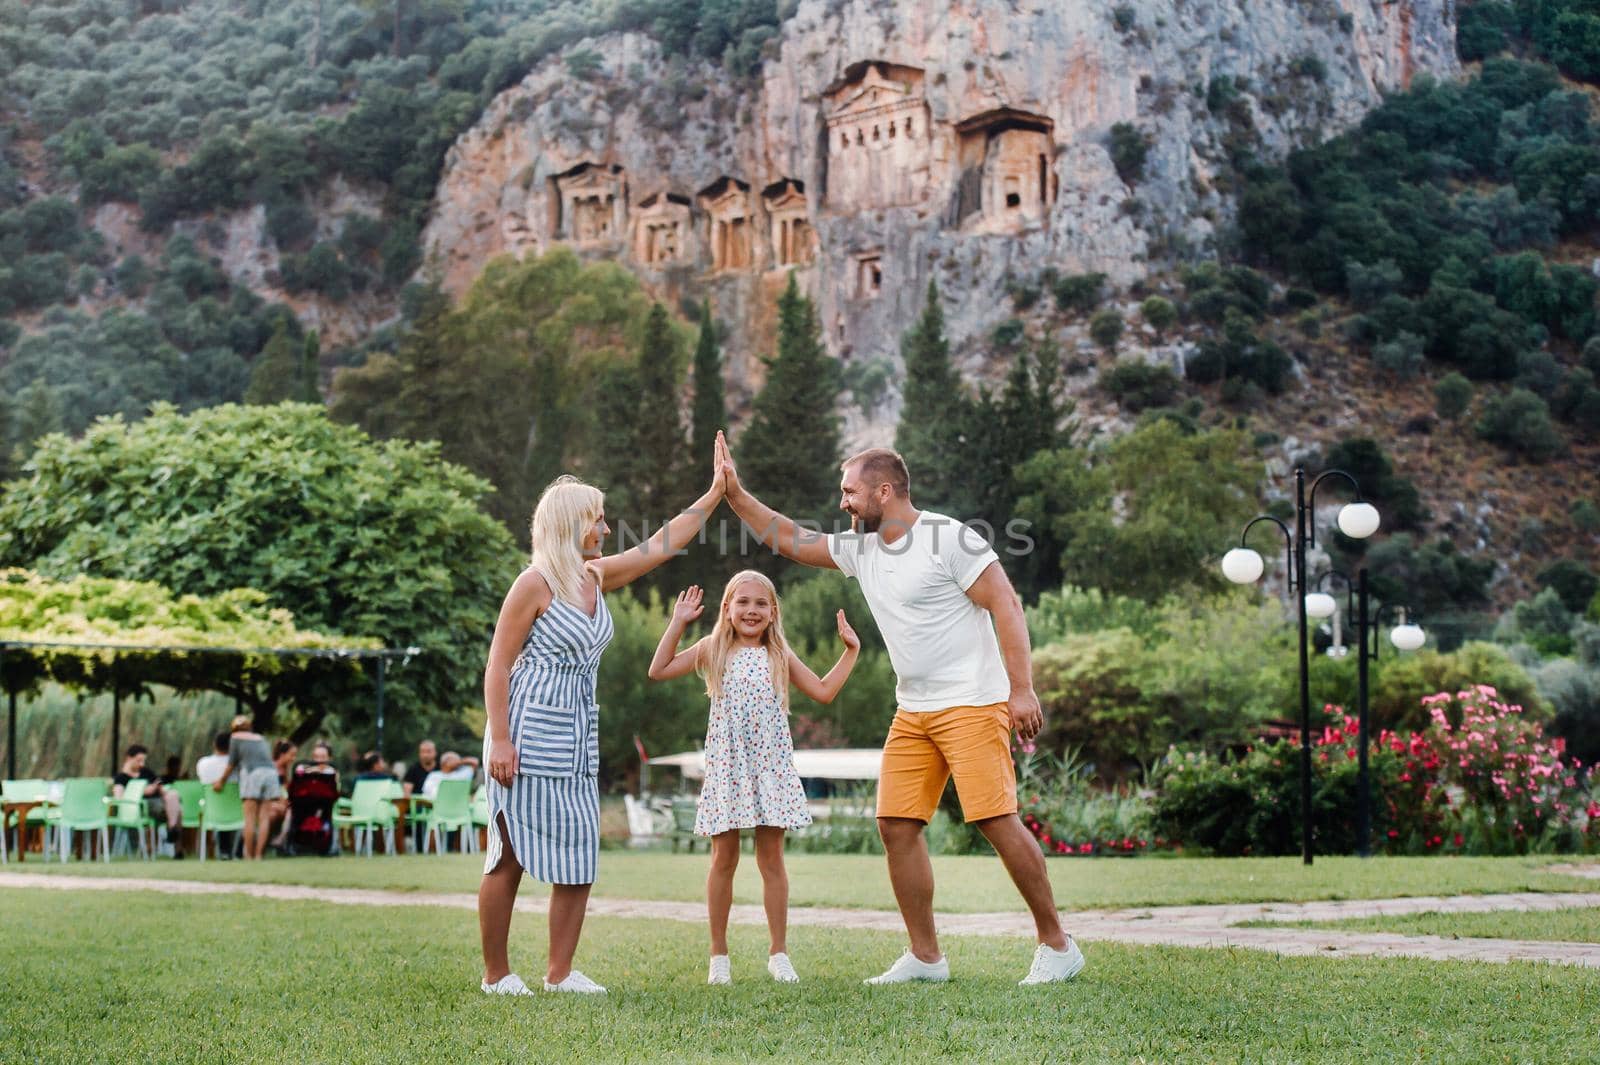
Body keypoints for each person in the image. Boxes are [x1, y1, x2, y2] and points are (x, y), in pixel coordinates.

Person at [717, 434, 1085, 986]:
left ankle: (1057, 945)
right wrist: (735, 495)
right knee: (895, 823)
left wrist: (1022, 688)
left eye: (850, 492)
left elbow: (1006, 605)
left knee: (994, 818)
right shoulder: (862, 549)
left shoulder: (947, 538)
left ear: (883, 491)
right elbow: (791, 539)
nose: (843, 503)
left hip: (972, 702)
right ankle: (926, 956)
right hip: (913, 708)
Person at [479, 463, 723, 997]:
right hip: (525, 729)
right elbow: (498, 666)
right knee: (511, 849)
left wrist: (713, 495)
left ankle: (560, 973)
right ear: (571, 525)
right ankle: (496, 974)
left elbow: (659, 547)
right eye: (599, 521)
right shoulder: (533, 583)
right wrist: (499, 738)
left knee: (579, 851)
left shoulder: (593, 576)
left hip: (577, 734)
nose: (607, 531)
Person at [648, 572, 859, 985]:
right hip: (729, 766)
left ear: (772, 612)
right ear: (727, 609)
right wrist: (678, 622)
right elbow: (659, 669)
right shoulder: (713, 649)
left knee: (772, 861)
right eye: (742, 602)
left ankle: (778, 953)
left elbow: (823, 691)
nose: (751, 610)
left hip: (770, 767)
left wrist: (850, 652)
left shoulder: (779, 654)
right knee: (724, 859)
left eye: (761, 604)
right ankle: (718, 958)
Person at [213, 715, 282, 861]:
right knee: (264, 818)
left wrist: (221, 781)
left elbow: (231, 764)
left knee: (249, 818)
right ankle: (258, 855)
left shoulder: (236, 738)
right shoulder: (260, 738)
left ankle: (248, 856)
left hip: (252, 773)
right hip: (270, 773)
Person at [112, 745, 184, 858]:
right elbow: (119, 798)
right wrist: (141, 791)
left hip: (161, 804)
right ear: (129, 758)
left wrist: (157, 788)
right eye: (139, 760)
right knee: (178, 811)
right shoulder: (121, 778)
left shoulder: (146, 772)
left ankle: (171, 827)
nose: (142, 764)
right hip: (142, 807)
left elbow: (159, 784)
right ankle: (176, 845)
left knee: (173, 795)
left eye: (143, 761)